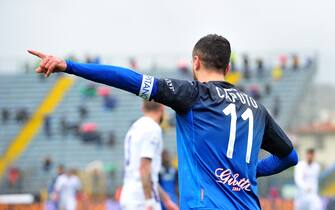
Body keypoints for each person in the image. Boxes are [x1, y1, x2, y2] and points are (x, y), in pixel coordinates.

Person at [28, 34, 298, 209]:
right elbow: (289, 157)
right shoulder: (258, 108)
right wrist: (250, 171)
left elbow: (130, 79)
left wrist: (71, 66)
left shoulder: (194, 95)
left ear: (195, 62)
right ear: (228, 68)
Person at [120, 100, 178, 210]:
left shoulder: (136, 127)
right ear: (162, 108)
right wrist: (149, 202)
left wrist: (166, 200)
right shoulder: (152, 128)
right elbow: (144, 168)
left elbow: (150, 176)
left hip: (132, 194)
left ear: (143, 108)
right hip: (140, 199)